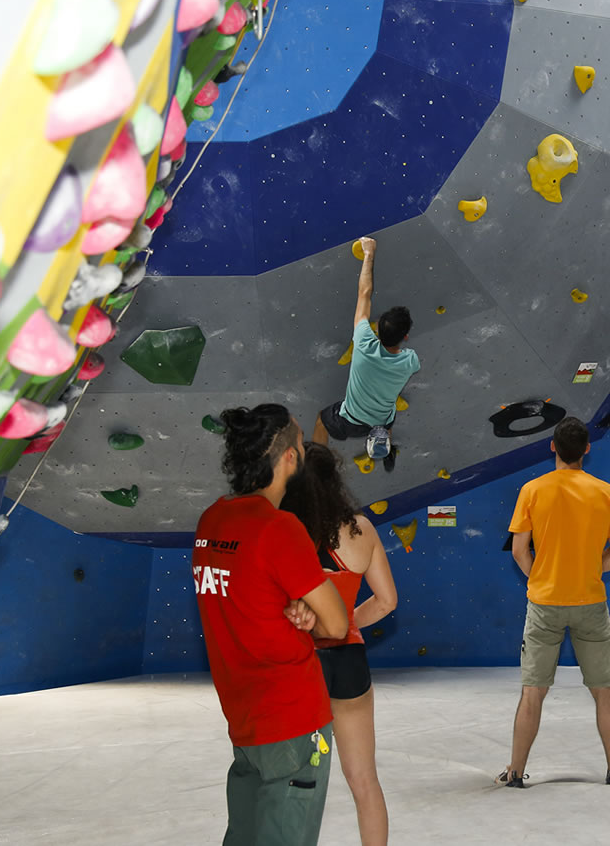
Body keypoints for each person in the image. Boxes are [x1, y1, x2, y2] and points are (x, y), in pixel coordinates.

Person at [193, 404, 349, 846]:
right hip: (293, 720)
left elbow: (250, 600)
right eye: (300, 444)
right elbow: (336, 624)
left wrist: (297, 610)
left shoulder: (211, 521)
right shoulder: (280, 529)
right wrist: (310, 613)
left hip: (245, 721)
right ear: (288, 459)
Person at [498, 417, 610, 788]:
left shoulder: (532, 490)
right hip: (591, 602)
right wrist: (591, 571)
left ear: (552, 447)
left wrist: (539, 576)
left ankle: (515, 772)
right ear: (587, 449)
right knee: (604, 690)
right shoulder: (605, 492)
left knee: (532, 692)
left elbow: (519, 550)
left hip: (544, 603)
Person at [280, 442, 398, 846]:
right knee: (365, 781)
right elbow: (387, 601)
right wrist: (346, 621)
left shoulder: (281, 533)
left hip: (297, 664)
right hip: (348, 660)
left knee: (289, 784)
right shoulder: (361, 529)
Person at [312, 236, 420, 472]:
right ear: (406, 337)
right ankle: (384, 444)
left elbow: (365, 293)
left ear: (376, 328)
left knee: (322, 419)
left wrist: (369, 254)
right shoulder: (410, 361)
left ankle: (318, 467)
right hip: (382, 417)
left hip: (352, 419)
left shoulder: (363, 340)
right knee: (386, 415)